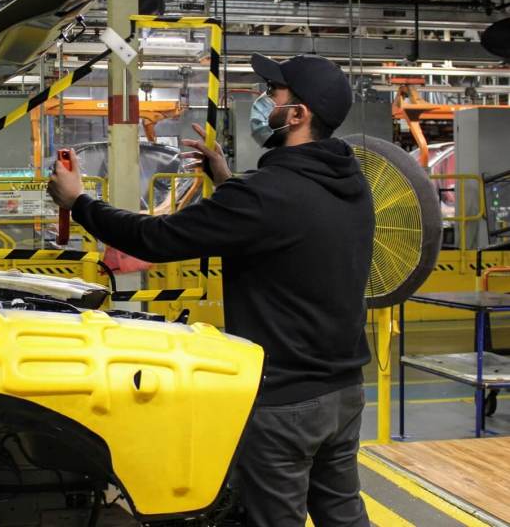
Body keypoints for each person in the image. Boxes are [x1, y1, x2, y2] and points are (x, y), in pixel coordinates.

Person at [47, 53, 374, 527]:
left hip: (283, 401)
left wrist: (79, 202)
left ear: (298, 115)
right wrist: (226, 179)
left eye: (273, 94)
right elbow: (285, 222)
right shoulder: (351, 181)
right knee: (342, 513)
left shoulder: (264, 195)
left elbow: (153, 239)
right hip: (344, 391)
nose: (263, 102)